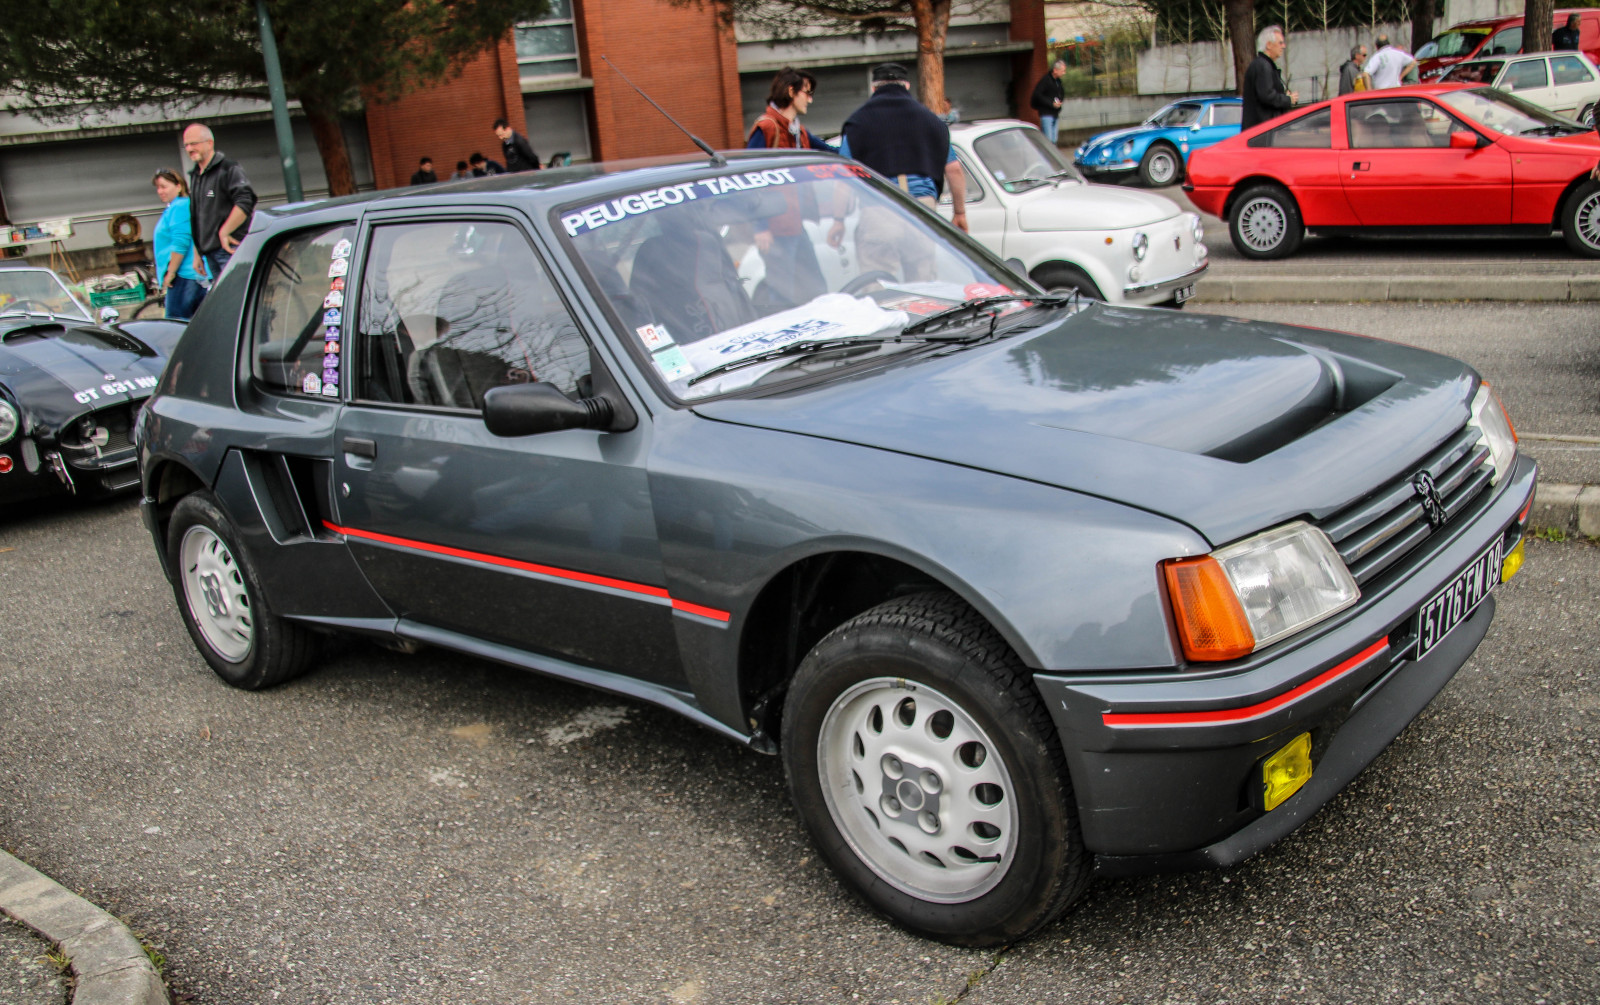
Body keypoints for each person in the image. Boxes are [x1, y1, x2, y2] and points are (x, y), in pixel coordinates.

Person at [840, 63, 967, 232]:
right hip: (922, 207)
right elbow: (954, 170)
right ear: (907, 85)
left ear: (873, 87)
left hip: (877, 206)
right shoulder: (932, 122)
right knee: (921, 259)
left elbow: (843, 174)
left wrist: (838, 220)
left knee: (879, 258)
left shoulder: (857, 123)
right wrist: (960, 213)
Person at [182, 122, 256, 280]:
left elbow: (245, 201)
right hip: (209, 254)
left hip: (228, 249)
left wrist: (225, 231)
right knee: (224, 302)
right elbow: (197, 218)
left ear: (210, 143)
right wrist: (197, 253)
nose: (189, 149)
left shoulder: (228, 169)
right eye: (186, 145)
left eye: (194, 143)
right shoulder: (195, 176)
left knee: (235, 297)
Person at [149, 169, 207, 320]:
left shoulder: (180, 206)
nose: (160, 191)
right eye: (158, 188)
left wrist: (171, 273)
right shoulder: (174, 207)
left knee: (176, 324)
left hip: (184, 275)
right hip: (187, 275)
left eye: (164, 186)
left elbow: (180, 242)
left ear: (179, 186)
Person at [1241, 26, 1298, 130]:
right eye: (1280, 43)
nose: (1284, 46)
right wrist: (1288, 99)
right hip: (1263, 131)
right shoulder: (1263, 66)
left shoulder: (1263, 65)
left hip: (1261, 129)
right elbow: (1267, 96)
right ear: (1269, 45)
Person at [1031, 60, 1068, 144]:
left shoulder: (1058, 82)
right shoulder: (1045, 81)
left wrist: (1059, 101)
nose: (1064, 73)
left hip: (1055, 113)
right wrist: (1051, 104)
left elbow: (1061, 93)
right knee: (1049, 140)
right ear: (1055, 70)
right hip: (1046, 113)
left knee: (1054, 140)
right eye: (1062, 71)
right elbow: (1038, 95)